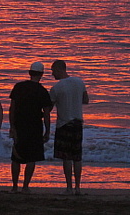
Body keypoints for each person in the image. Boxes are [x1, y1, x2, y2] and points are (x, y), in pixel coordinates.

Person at [9, 61, 53, 194]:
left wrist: (12, 127)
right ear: (41, 75)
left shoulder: (19, 87)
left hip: (19, 124)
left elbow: (12, 109)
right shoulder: (42, 91)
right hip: (35, 126)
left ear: (29, 73)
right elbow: (46, 114)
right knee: (32, 158)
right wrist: (48, 131)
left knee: (16, 157)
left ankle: (15, 186)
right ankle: (25, 186)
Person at [50, 60, 89, 195]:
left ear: (59, 69)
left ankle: (69, 187)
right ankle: (78, 187)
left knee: (66, 157)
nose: (52, 73)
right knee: (77, 156)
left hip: (64, 123)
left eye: (53, 70)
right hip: (78, 122)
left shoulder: (56, 88)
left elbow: (49, 107)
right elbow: (86, 100)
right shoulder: (79, 82)